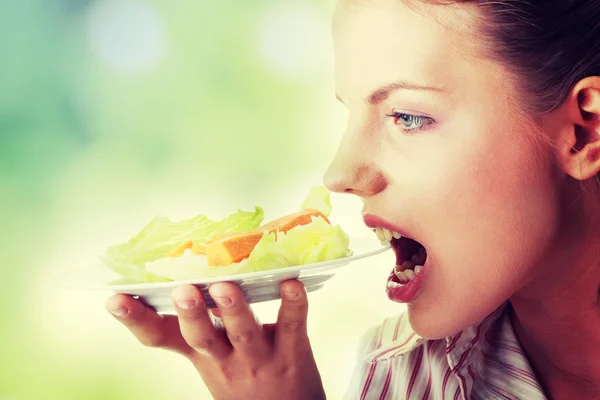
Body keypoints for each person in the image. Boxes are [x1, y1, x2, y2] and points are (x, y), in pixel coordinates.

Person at [104, 0, 600, 398]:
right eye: (350, 114)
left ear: (584, 131)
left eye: (407, 117)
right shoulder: (402, 380)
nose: (339, 175)